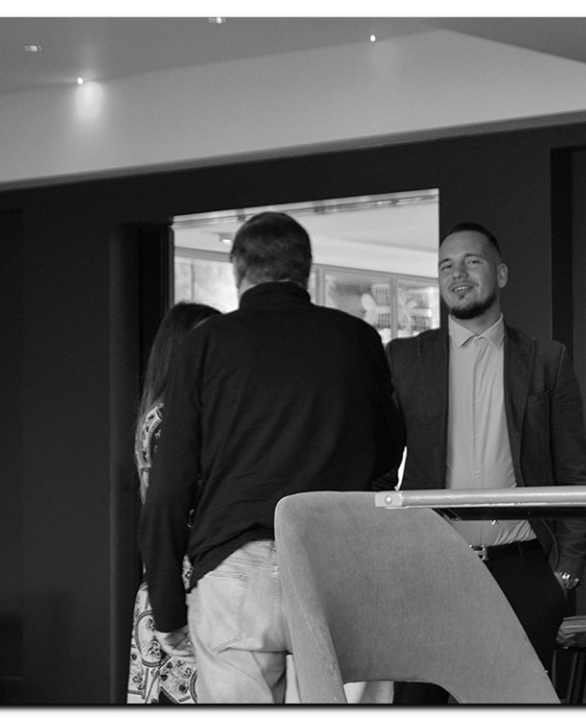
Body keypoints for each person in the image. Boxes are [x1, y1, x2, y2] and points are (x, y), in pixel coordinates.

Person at [138, 211, 404, 703]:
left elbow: (170, 484)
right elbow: (390, 450)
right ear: (305, 268)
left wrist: (168, 607)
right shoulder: (358, 339)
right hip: (336, 561)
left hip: (236, 571)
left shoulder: (204, 344)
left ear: (238, 269)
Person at [386, 221, 586, 704]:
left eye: (471, 262)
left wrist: (564, 573)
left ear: (500, 274)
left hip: (523, 572)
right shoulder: (404, 359)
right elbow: (379, 466)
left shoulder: (546, 359)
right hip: (430, 569)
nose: (457, 274)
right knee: (418, 705)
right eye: (446, 266)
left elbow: (575, 473)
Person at [127, 301, 222, 704]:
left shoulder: (182, 414)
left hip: (186, 583)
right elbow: (178, 512)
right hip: (179, 589)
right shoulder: (167, 420)